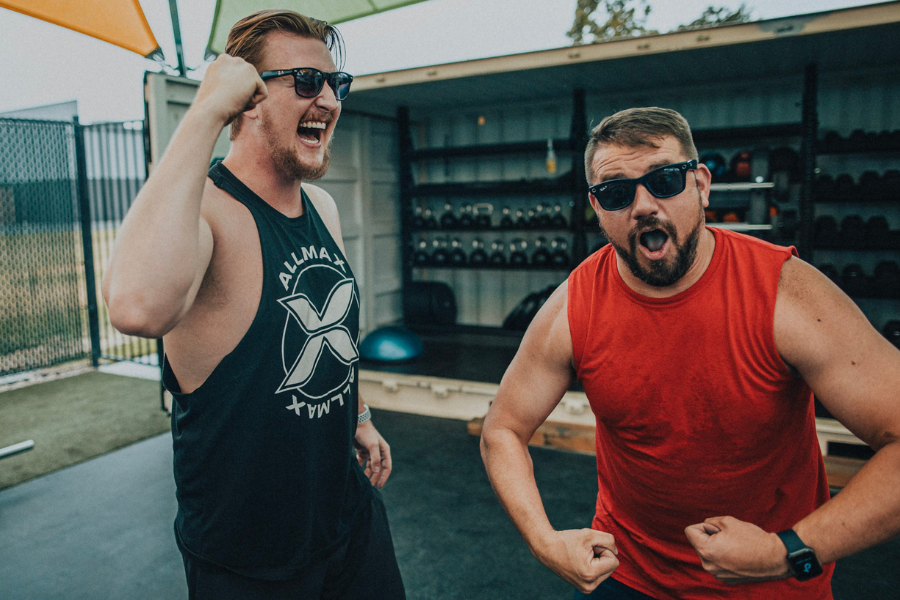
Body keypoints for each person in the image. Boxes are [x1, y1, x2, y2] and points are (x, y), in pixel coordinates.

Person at [480, 106, 900, 599]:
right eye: (616, 192)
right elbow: (503, 428)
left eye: (664, 180)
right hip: (628, 576)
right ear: (597, 208)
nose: (642, 206)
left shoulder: (786, 294)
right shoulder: (576, 304)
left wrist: (787, 551)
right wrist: (544, 541)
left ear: (701, 185)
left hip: (770, 581)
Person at [102, 10, 405, 599]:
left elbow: (331, 334)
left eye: (335, 84)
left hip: (348, 521)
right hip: (250, 557)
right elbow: (136, 309)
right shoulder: (208, 216)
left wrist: (361, 418)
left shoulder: (323, 208)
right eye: (306, 82)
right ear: (248, 97)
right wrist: (205, 109)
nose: (329, 101)